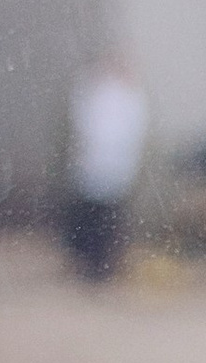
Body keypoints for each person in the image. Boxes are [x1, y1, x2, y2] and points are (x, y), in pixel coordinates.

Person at [63, 52, 150, 279]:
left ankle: (103, 265)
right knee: (89, 218)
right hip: (92, 168)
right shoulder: (97, 92)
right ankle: (87, 262)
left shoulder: (129, 97)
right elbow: (84, 122)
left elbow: (130, 133)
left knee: (107, 220)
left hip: (115, 171)